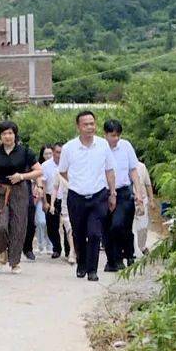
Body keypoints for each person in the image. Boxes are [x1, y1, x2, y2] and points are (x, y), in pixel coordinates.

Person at [57, 110, 116, 281]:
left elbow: (109, 170)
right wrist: (76, 182)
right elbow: (62, 171)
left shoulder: (103, 145)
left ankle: (92, 270)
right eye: (86, 124)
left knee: (96, 233)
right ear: (78, 127)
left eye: (92, 123)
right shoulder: (69, 148)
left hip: (98, 196)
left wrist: (112, 193)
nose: (90, 127)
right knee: (79, 233)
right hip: (76, 197)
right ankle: (81, 264)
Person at [0, 121, 42, 274]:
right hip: (0, 191)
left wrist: (22, 176)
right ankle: (2, 252)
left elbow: (38, 171)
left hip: (20, 191)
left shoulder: (25, 152)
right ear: (0, 136)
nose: (7, 136)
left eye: (10, 133)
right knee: (0, 225)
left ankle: (14, 262)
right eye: (4, 134)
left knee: (18, 226)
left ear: (15, 134)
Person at [102, 119, 144, 270]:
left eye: (118, 135)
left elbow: (133, 170)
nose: (116, 138)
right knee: (107, 228)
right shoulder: (99, 147)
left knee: (120, 225)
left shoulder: (126, 146)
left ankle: (125, 254)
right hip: (104, 193)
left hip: (124, 192)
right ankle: (112, 260)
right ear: (105, 134)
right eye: (113, 135)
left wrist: (138, 192)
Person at [41, 142, 68, 259]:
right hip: (50, 197)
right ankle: (56, 248)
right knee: (52, 226)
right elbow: (43, 184)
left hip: (66, 197)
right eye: (57, 152)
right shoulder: (46, 165)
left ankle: (69, 250)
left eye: (62, 152)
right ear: (53, 152)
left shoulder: (69, 164)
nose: (59, 155)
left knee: (67, 224)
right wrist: (45, 202)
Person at [133, 159, 156, 256]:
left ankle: (141, 246)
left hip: (142, 200)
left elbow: (148, 184)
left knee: (142, 226)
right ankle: (132, 250)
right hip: (128, 200)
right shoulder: (121, 165)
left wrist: (151, 200)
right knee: (130, 227)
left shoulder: (141, 167)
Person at [32, 147, 52, 254]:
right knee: (40, 221)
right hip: (39, 197)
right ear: (42, 155)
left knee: (51, 222)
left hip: (52, 198)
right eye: (46, 154)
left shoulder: (56, 165)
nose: (48, 156)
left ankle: (50, 245)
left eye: (50, 153)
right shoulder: (37, 167)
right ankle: (40, 244)